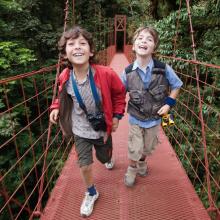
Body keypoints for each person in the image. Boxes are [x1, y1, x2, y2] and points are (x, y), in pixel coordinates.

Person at [49, 26, 126, 217]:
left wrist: (116, 116)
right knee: (84, 164)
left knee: (104, 158)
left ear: (91, 51)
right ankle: (91, 192)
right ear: (65, 53)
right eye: (71, 44)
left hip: (101, 129)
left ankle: (108, 156)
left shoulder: (106, 73)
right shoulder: (64, 76)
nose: (77, 47)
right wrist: (56, 107)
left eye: (83, 43)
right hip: (80, 130)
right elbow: (62, 96)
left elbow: (119, 94)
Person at [121, 26, 183, 187]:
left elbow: (176, 85)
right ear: (133, 46)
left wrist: (169, 105)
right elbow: (119, 93)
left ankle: (142, 162)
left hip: (155, 118)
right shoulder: (127, 72)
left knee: (148, 147)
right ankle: (132, 168)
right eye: (140, 38)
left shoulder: (163, 69)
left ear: (154, 46)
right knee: (135, 147)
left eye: (149, 39)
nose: (144, 41)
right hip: (136, 116)